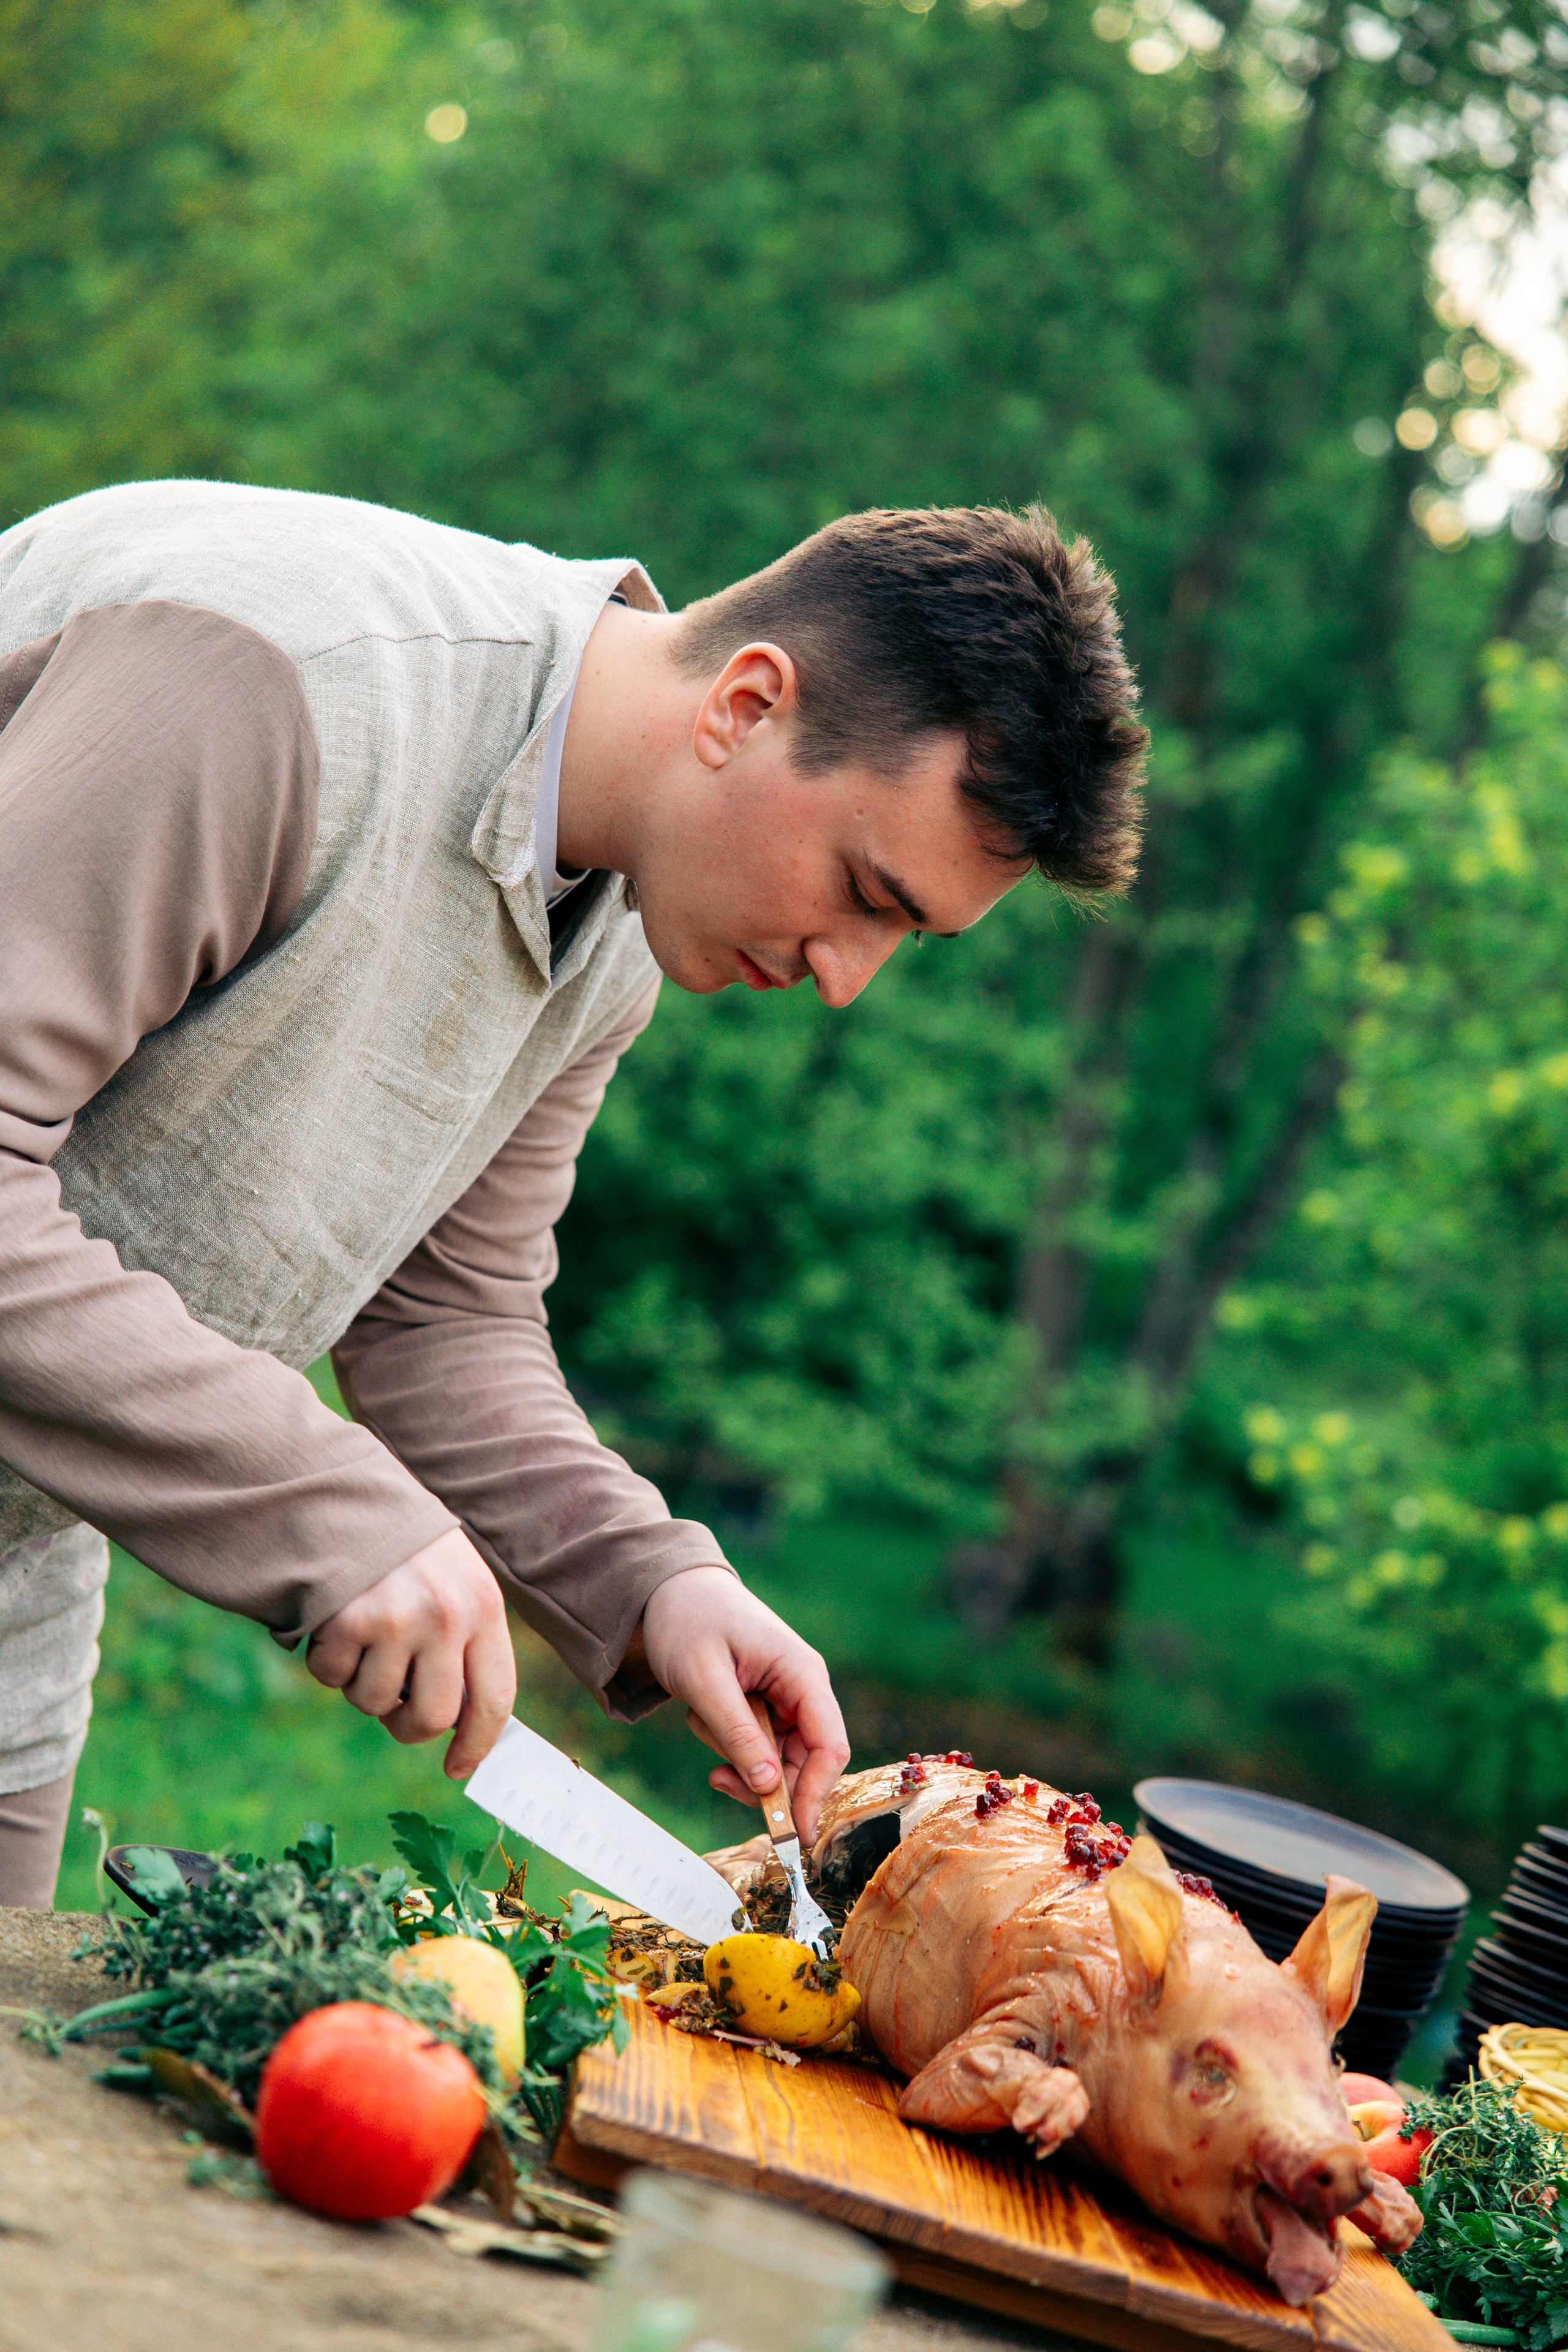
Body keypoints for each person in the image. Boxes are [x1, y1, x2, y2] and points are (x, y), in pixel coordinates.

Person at [0, 481, 1145, 1905]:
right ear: (744, 703)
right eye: (867, 891)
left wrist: (652, 1583)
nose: (851, 980)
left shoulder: (618, 916)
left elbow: (443, 1318)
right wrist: (322, 1506)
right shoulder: (270, 681)